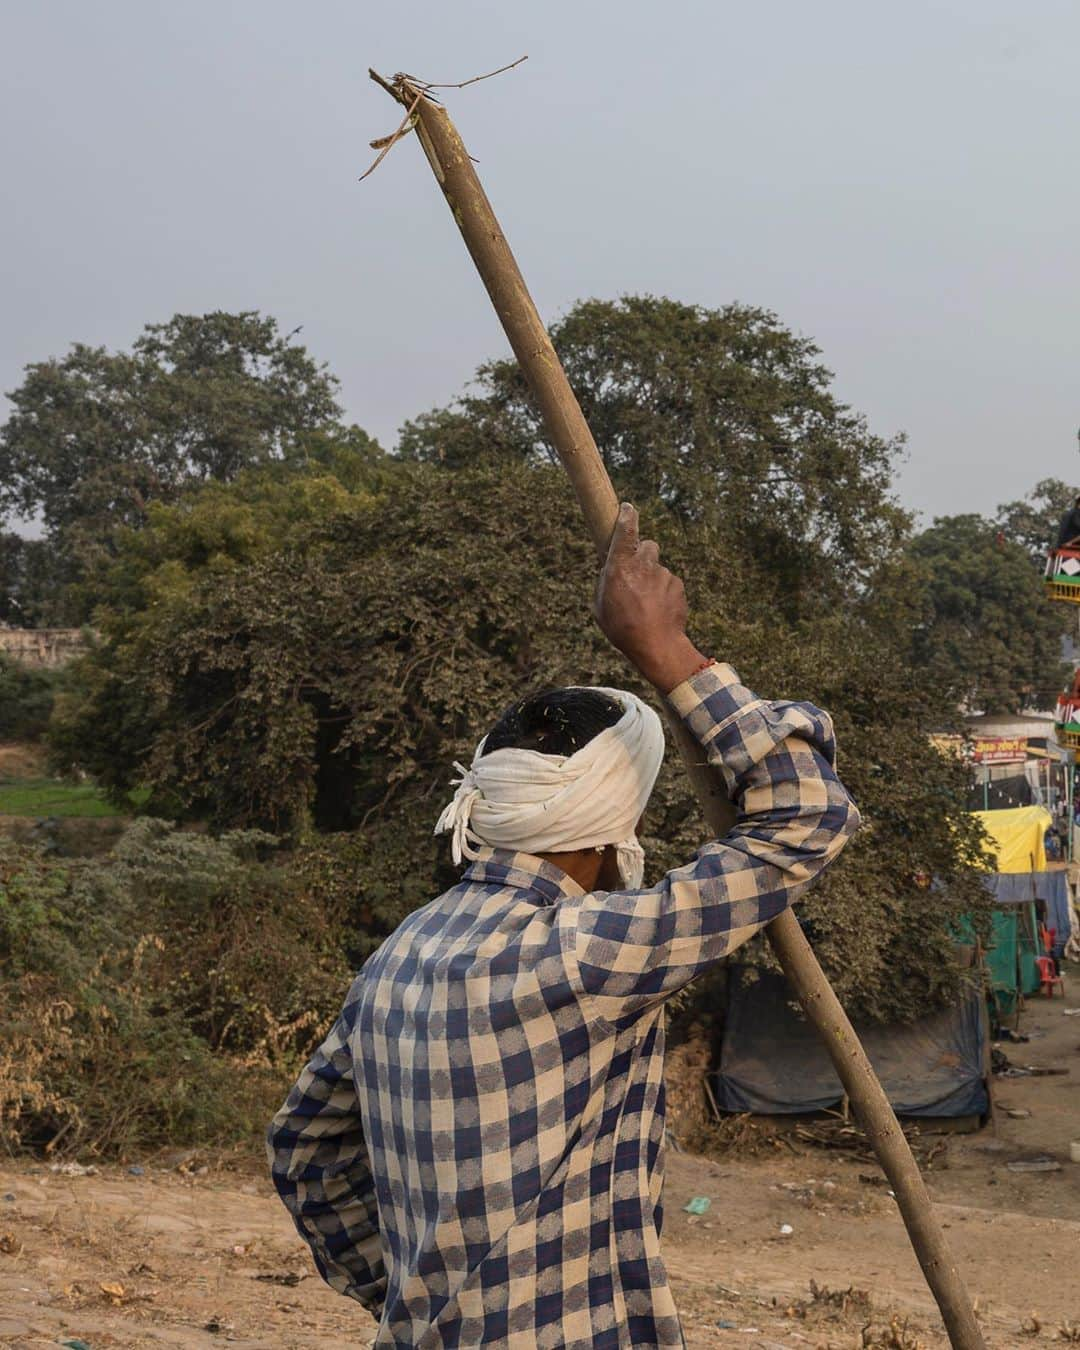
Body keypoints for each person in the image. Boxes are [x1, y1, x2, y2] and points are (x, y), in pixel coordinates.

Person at [267, 503, 860, 1348]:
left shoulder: (397, 956)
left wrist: (417, 1304)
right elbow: (808, 816)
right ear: (614, 822)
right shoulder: (585, 954)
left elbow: (302, 1151)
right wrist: (671, 655)